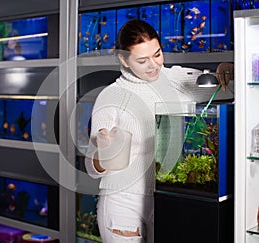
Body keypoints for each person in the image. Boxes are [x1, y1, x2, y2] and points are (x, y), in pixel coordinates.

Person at [85, 19, 234, 243]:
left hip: (169, 198)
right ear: (123, 60)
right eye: (142, 60)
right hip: (123, 202)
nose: (153, 65)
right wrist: (104, 153)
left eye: (157, 54)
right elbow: (91, 167)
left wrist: (229, 69)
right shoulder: (111, 96)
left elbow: (229, 89)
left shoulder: (176, 79)